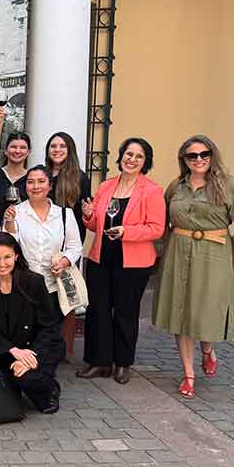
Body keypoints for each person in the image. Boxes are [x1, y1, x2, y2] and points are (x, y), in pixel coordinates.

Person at [152, 135, 234, 398]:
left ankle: (207, 350)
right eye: (192, 155)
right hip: (178, 252)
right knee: (181, 313)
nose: (199, 159)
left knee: (206, 310)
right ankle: (189, 375)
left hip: (214, 254)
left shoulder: (230, 185)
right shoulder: (177, 186)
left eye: (204, 154)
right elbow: (162, 221)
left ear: (212, 155)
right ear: (184, 159)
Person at [79, 138, 165, 384]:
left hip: (133, 264)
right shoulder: (106, 186)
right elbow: (95, 224)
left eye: (139, 156)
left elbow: (157, 229)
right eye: (129, 154)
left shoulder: (152, 190)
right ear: (121, 156)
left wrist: (126, 231)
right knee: (98, 311)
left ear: (145, 162)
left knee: (126, 313)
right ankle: (99, 362)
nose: (132, 159)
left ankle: (122, 363)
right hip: (101, 257)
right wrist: (88, 216)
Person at [0, 233, 65, 414]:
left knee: (25, 381)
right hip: (9, 347)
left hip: (36, 346)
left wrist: (29, 359)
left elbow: (49, 327)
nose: (2, 263)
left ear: (16, 256)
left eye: (7, 257)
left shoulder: (34, 282)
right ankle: (7, 378)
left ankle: (50, 387)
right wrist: (12, 350)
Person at [3, 165, 83, 354]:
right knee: (24, 334)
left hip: (53, 286)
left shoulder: (64, 214)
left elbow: (75, 247)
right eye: (31, 182)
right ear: (25, 187)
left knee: (49, 335)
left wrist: (63, 262)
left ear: (50, 186)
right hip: (24, 285)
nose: (36, 186)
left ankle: (44, 366)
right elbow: (9, 246)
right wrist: (9, 222)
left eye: (41, 181)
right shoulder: (16, 212)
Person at [0, 109, 30, 233]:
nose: (17, 151)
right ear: (6, 151)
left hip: (23, 235)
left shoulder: (32, 179)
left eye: (22, 147)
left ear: (28, 152)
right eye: (13, 147)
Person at [46, 132, 92, 242]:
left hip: (69, 238)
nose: (57, 150)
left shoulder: (80, 178)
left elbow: (83, 215)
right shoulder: (42, 175)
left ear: (70, 150)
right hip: (43, 236)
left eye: (63, 146)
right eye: (53, 146)